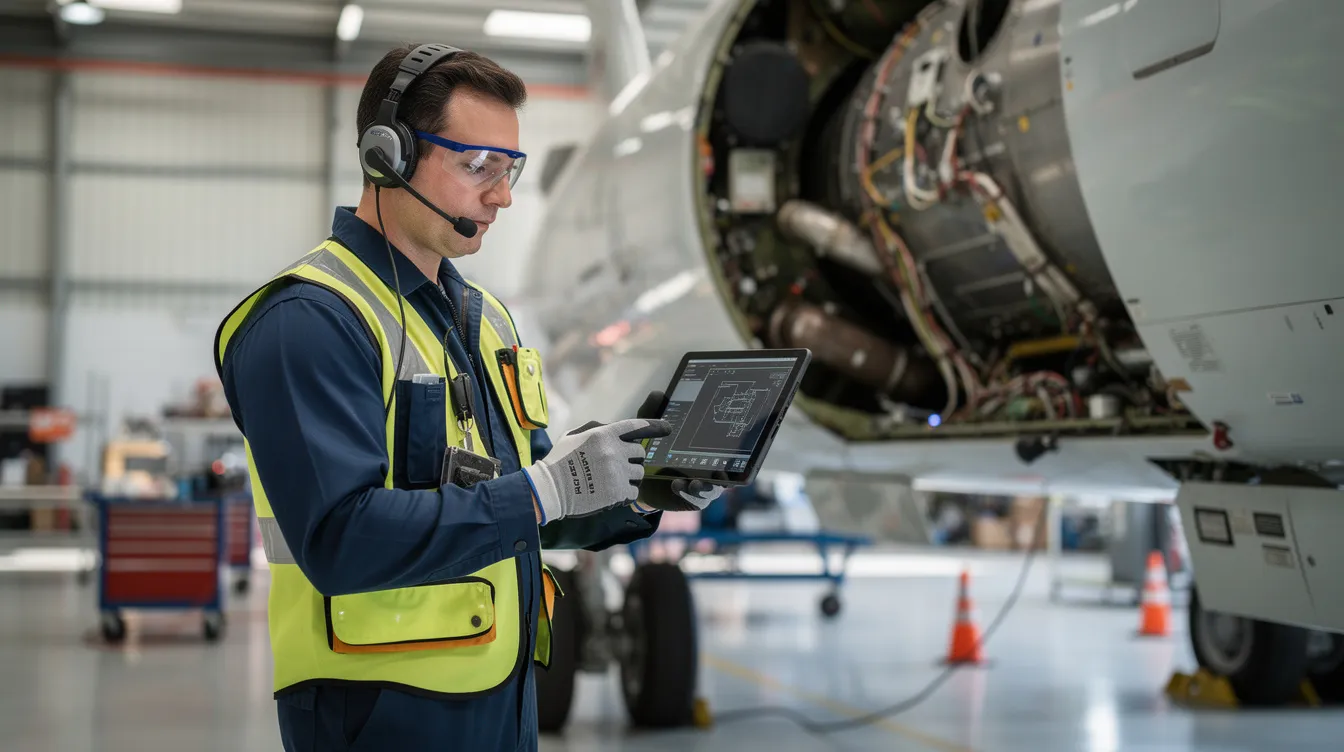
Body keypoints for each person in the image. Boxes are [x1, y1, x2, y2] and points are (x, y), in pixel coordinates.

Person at [214, 43, 722, 752]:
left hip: (499, 697)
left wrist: (640, 491)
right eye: (477, 165)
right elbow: (339, 538)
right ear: (386, 157)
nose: (502, 195)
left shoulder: (484, 321)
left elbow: (535, 504)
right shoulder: (308, 322)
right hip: (372, 707)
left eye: (509, 168)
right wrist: (543, 492)